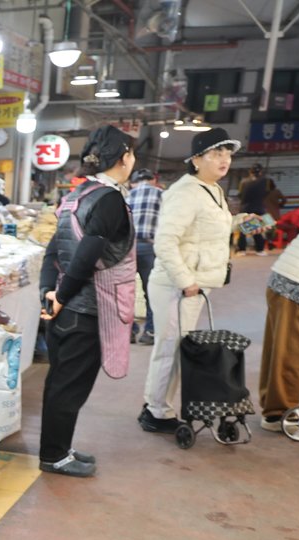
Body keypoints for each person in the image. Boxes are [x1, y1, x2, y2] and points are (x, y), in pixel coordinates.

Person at [38, 126, 138, 477]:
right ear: (124, 158)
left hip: (66, 308)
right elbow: (88, 253)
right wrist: (63, 297)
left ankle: (58, 448)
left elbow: (54, 249)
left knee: (60, 381)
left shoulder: (77, 195)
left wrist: (48, 293)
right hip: (87, 308)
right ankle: (54, 456)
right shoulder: (109, 198)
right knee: (70, 386)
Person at [140, 127, 239, 434]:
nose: (225, 160)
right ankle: (157, 413)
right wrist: (185, 281)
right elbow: (166, 242)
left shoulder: (212, 189)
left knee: (177, 348)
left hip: (193, 285)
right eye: (217, 154)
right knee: (169, 348)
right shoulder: (186, 191)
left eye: (228, 154)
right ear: (197, 159)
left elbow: (203, 230)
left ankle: (156, 404)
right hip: (176, 285)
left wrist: (239, 222)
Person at [260, 235, 299, 430]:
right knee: (290, 354)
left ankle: (274, 408)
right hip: (294, 286)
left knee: (280, 349)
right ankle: (279, 414)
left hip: (285, 282)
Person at [126, 169, 163, 344]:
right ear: (153, 181)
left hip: (127, 249)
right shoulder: (163, 195)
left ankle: (129, 331)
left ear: (133, 182)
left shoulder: (127, 196)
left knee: (126, 292)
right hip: (150, 248)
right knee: (152, 292)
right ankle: (150, 332)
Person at [236, 165, 272, 255]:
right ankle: (260, 249)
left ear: (250, 172)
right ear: (260, 172)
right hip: (259, 207)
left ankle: (241, 250)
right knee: (258, 228)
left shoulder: (243, 182)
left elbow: (240, 194)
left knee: (243, 230)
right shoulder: (265, 181)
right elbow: (267, 193)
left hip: (246, 207)